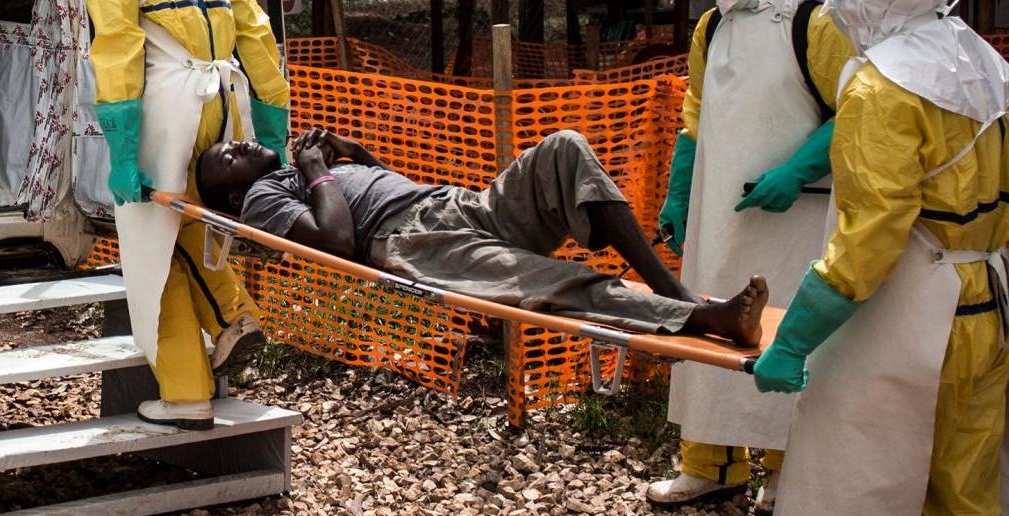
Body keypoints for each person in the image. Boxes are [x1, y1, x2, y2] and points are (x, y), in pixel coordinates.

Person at [720, 0, 1009, 516]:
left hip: (901, 316)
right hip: (983, 302)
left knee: (835, 494)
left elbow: (867, 242)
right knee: (967, 514)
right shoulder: (982, 62)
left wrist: (794, 341)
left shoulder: (884, 86)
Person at [197, 127, 768, 347]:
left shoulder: (296, 173)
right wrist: (317, 167)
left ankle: (673, 289)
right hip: (417, 241)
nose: (238, 146)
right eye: (226, 157)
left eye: (234, 140)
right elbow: (339, 240)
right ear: (228, 194)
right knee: (555, 282)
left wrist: (351, 154)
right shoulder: (261, 199)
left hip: (455, 205)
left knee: (564, 150)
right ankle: (700, 320)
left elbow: (381, 181)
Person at [648, 0, 856, 511]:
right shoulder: (711, 27)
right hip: (721, 215)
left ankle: (788, 473)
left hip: (795, 220)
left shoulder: (814, 22)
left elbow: (857, 107)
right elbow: (695, 110)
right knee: (708, 323)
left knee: (791, 333)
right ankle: (711, 464)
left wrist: (797, 170)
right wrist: (680, 191)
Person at [79, 0, 290, 429]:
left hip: (167, 105)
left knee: (152, 252)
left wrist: (122, 153)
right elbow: (258, 35)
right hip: (227, 99)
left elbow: (119, 44)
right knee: (199, 221)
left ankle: (186, 393)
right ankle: (232, 316)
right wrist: (274, 136)